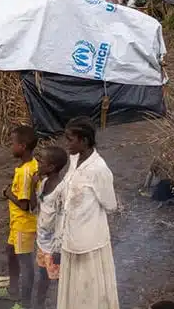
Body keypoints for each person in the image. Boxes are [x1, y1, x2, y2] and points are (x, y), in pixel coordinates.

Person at [58, 117, 119, 309]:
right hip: (70, 236)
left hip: (90, 241)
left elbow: (110, 205)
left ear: (84, 141)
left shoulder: (99, 169)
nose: (66, 144)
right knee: (74, 290)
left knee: (90, 291)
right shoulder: (74, 159)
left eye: (70, 139)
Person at [0, 125, 38, 302]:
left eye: (13, 143)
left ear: (23, 146)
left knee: (25, 262)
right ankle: (13, 289)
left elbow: (24, 204)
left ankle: (25, 301)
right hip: (17, 224)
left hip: (24, 224)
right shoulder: (26, 167)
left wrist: (8, 194)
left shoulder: (27, 171)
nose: (10, 146)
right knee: (11, 252)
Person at [33, 145, 69, 309]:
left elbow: (64, 220)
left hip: (55, 247)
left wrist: (58, 249)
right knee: (43, 278)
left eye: (41, 161)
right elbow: (35, 206)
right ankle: (38, 305)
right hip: (42, 243)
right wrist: (32, 186)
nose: (37, 163)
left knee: (62, 284)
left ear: (52, 167)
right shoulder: (45, 182)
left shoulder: (62, 190)